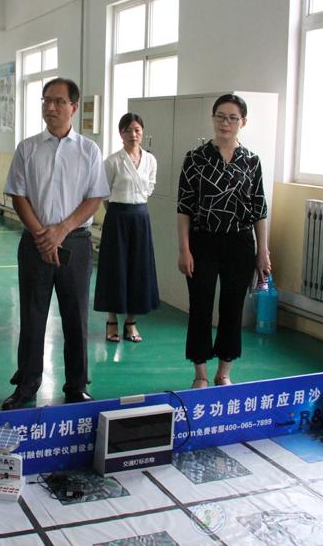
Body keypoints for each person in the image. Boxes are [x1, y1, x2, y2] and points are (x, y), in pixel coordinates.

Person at [2, 78, 109, 410]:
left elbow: (95, 198)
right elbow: (18, 195)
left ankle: (76, 385)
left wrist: (62, 230)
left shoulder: (89, 150)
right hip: (35, 243)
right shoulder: (28, 148)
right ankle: (27, 384)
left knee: (75, 316)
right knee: (32, 316)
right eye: (46, 100)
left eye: (59, 101)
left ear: (73, 107)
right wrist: (42, 235)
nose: (50, 107)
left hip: (74, 243)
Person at [177, 94, 270, 389]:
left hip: (240, 242)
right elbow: (184, 208)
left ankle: (224, 372)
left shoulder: (251, 161)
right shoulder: (195, 158)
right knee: (200, 305)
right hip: (202, 240)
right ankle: (200, 374)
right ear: (213, 118)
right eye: (220, 116)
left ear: (243, 122)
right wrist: (184, 248)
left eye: (232, 118)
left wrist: (263, 251)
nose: (225, 123)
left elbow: (259, 210)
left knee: (233, 306)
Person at [94, 113, 160, 343]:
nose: (133, 135)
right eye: (128, 130)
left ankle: (131, 322)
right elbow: (104, 193)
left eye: (137, 130)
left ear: (143, 132)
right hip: (117, 217)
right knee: (115, 268)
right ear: (121, 134)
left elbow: (149, 188)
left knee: (138, 269)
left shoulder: (150, 160)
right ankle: (111, 320)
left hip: (140, 217)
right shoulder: (112, 161)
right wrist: (116, 211)